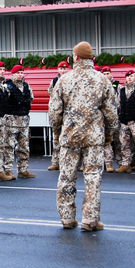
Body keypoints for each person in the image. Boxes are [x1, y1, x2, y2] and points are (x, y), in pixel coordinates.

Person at [49, 41, 118, 231]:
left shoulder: (64, 80)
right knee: (93, 178)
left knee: (66, 177)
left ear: (76, 57)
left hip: (70, 137)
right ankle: (90, 220)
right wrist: (109, 134)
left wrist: (57, 132)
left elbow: (54, 112)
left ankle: (67, 218)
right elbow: (111, 113)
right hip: (94, 137)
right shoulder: (103, 80)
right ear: (92, 58)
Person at [3, 65, 35, 179]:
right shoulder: (7, 86)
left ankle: (23, 170)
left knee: (24, 147)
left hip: (24, 120)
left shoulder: (26, 86)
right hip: (11, 121)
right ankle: (7, 170)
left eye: (22, 72)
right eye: (18, 73)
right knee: (9, 146)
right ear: (12, 74)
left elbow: (30, 99)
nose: (20, 75)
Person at [47, 61, 70, 171]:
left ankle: (68, 162)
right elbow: (52, 97)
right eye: (61, 68)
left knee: (69, 139)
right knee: (56, 139)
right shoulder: (54, 81)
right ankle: (55, 162)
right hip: (57, 114)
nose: (63, 70)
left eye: (65, 68)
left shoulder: (72, 80)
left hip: (68, 114)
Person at [101, 66, 120, 172]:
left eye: (108, 73)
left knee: (112, 142)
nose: (106, 75)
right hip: (100, 118)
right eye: (104, 73)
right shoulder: (98, 85)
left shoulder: (117, 86)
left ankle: (110, 163)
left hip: (112, 117)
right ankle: (101, 163)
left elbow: (118, 102)